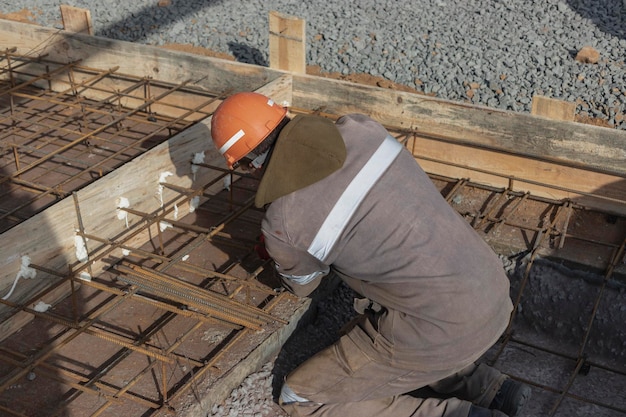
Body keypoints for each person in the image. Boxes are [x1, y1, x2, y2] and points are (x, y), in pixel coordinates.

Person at [210, 92, 531, 417]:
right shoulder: (362, 129)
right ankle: (494, 390)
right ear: (284, 117)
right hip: (491, 288)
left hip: (444, 327)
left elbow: (304, 284)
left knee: (299, 397)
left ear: (249, 165)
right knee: (369, 330)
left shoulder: (284, 223)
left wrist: (281, 250)